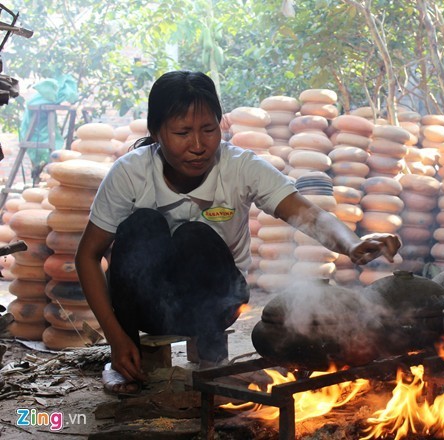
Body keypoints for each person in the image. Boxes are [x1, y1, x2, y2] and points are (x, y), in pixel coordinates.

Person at [75, 71, 401, 395]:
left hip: (218, 304)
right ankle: (123, 362)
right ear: (157, 132)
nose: (199, 145)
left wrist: (352, 243)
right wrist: (115, 339)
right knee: (142, 224)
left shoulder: (239, 166)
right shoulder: (130, 173)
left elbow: (305, 212)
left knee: (195, 236)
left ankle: (213, 362)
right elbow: (87, 257)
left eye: (208, 129)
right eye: (182, 132)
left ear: (221, 125)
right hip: (146, 307)